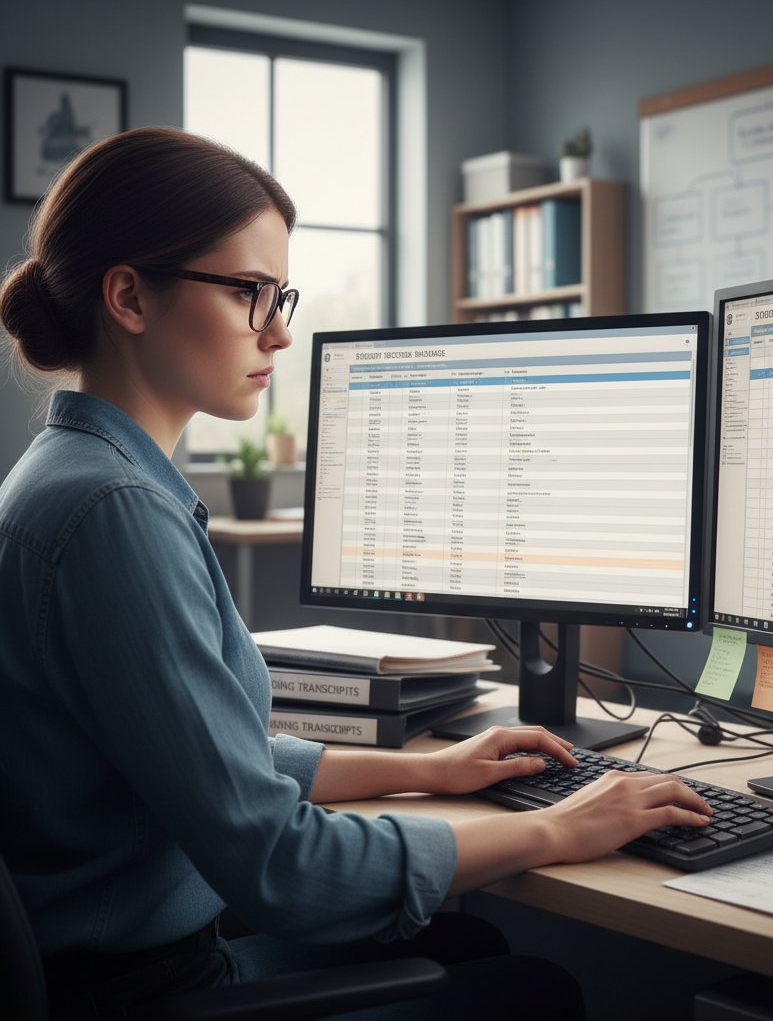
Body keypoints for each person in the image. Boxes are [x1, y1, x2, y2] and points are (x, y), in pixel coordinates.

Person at [0, 126, 713, 1020]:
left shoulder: (65, 475)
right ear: (129, 297)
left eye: (282, 295)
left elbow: (201, 762)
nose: (281, 332)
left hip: (118, 967)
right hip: (144, 991)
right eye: (251, 293)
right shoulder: (114, 513)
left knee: (467, 943)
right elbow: (278, 867)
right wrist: (559, 827)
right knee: (533, 989)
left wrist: (435, 770)